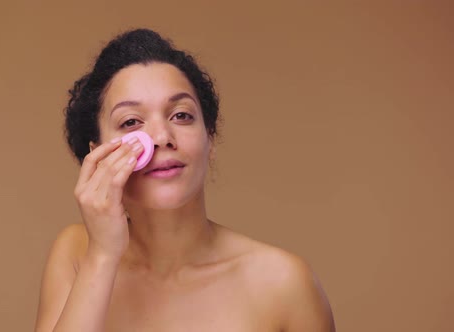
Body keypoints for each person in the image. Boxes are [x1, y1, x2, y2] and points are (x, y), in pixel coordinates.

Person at [34, 28, 335, 332]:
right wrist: (102, 256)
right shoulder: (76, 254)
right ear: (98, 154)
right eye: (131, 122)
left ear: (210, 141)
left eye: (181, 115)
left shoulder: (285, 284)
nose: (162, 137)